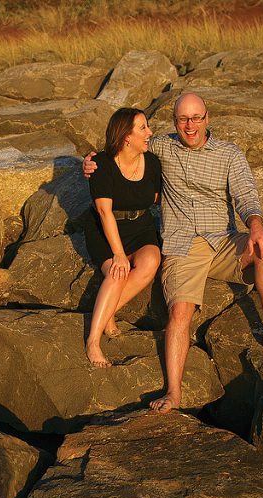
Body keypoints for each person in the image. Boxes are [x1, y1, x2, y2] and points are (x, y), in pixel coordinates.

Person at [83, 93, 263, 410]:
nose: (190, 125)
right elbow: (120, 149)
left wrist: (256, 226)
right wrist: (90, 161)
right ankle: (174, 391)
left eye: (196, 118)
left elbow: (245, 194)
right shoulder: (159, 146)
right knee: (179, 313)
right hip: (182, 244)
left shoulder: (229, 153)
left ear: (207, 117)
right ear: (174, 122)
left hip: (224, 239)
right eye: (183, 119)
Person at [83, 107, 162, 368]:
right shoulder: (102, 164)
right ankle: (93, 341)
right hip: (106, 230)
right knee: (118, 273)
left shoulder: (151, 162)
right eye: (143, 127)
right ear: (126, 136)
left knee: (151, 260)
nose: (149, 132)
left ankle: (108, 314)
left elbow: (156, 198)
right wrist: (117, 254)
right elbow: (104, 212)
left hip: (141, 227)